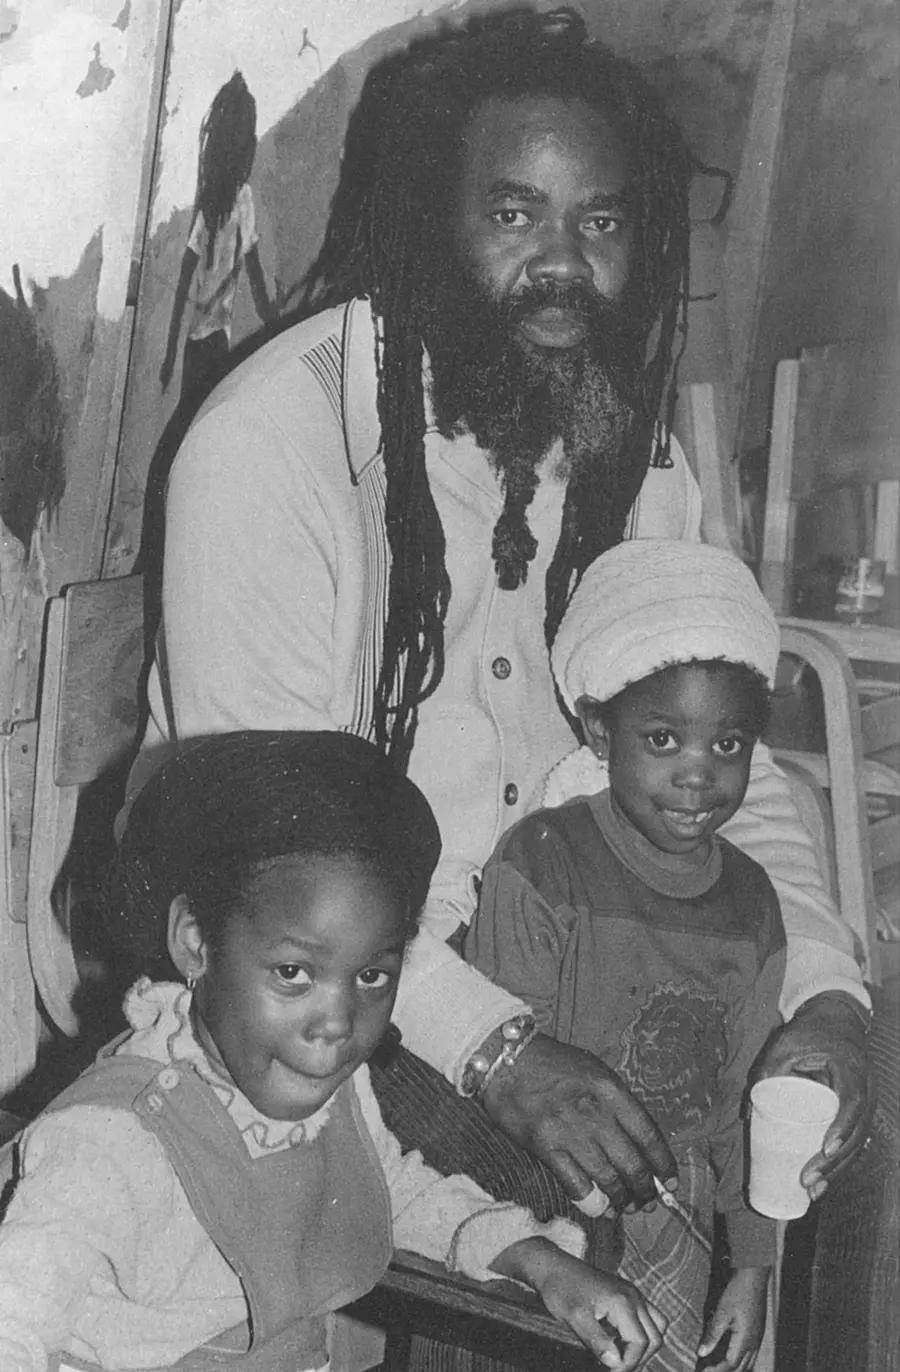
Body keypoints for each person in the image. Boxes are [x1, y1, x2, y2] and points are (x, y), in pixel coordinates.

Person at [129, 5, 871, 1222]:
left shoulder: (631, 456)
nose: (566, 263)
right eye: (515, 213)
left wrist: (831, 995)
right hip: (331, 976)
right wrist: (499, 1051)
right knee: (590, 1208)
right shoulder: (278, 449)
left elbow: (728, 756)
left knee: (848, 1133)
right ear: (433, 222)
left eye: (604, 220)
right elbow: (263, 858)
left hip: (581, 943)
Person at [0, 730, 668, 1371]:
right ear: (196, 943)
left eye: (372, 977)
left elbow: (386, 1191)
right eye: (293, 973)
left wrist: (533, 1257)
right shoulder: (110, 1146)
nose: (337, 1023)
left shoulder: (335, 1095)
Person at [467, 539, 788, 1372]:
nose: (697, 776)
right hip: (547, 1199)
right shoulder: (541, 860)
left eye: (729, 745)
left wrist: (751, 1267)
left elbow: (744, 1105)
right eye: (662, 739)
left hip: (677, 1214)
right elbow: (507, 1085)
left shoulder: (752, 905)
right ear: (598, 728)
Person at [159, 71, 277, 410]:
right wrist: (276, 321)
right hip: (216, 342)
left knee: (188, 419)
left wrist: (169, 355)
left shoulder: (208, 206)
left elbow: (183, 284)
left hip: (193, 344)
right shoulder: (243, 201)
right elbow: (254, 278)